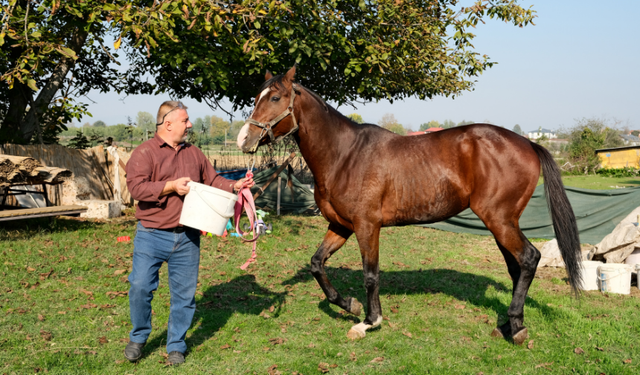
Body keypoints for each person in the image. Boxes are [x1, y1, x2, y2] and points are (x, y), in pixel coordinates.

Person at [123, 100, 254, 365]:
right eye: (185, 120)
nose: (190, 124)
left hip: (187, 237)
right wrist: (171, 186)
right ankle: (138, 337)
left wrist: (235, 185)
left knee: (184, 295)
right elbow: (137, 188)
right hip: (151, 234)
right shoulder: (144, 153)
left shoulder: (194, 153)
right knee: (139, 287)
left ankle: (176, 346)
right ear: (167, 123)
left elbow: (214, 180)